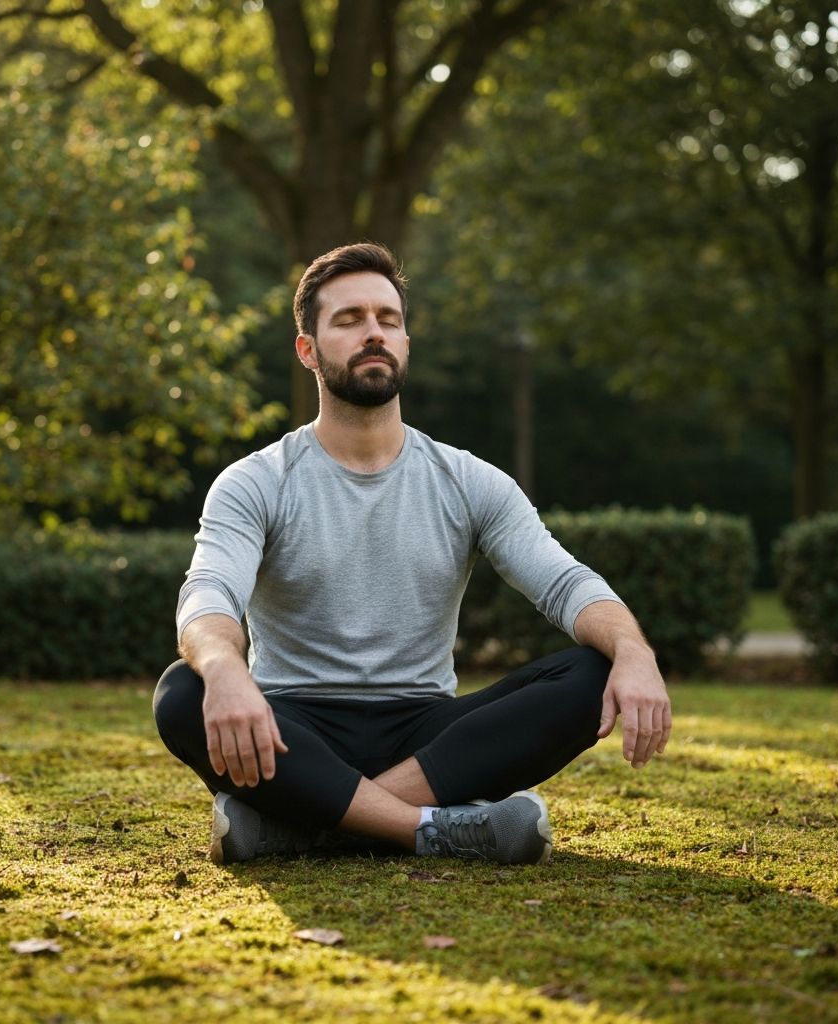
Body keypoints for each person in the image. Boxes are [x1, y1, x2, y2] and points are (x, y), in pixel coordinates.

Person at [154, 242, 671, 866]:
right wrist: (227, 670)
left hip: (428, 736)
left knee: (592, 672)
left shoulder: (468, 479)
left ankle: (310, 827)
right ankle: (427, 829)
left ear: (404, 342)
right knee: (184, 692)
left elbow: (563, 583)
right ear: (307, 350)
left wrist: (635, 652)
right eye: (348, 321)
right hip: (292, 733)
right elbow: (210, 592)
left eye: (387, 320)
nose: (373, 334)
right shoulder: (257, 480)